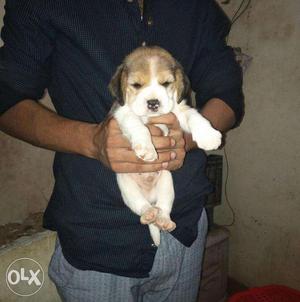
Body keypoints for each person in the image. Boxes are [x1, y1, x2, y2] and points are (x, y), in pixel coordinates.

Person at [0, 0, 244, 301]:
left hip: (184, 221)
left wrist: (185, 138)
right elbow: (6, 98)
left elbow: (227, 93)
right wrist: (92, 140)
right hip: (95, 228)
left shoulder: (196, 6)